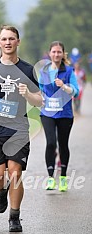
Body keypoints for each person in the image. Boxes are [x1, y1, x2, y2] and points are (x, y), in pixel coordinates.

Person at [0, 25, 42, 232]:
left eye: (11, 39)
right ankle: (1, 190)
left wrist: (27, 95)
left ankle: (14, 217)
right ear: (0, 42)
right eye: (4, 39)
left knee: (15, 172)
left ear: (18, 42)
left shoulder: (27, 69)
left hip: (18, 129)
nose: (8, 42)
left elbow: (39, 100)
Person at [38, 41, 79, 192]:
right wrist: (40, 98)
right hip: (48, 113)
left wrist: (64, 86)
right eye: (54, 52)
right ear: (49, 54)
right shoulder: (44, 71)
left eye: (59, 52)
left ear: (63, 54)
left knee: (63, 144)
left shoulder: (68, 71)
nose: (56, 54)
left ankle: (63, 177)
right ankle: (50, 178)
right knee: (50, 143)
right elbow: (40, 89)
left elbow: (75, 91)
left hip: (64, 114)